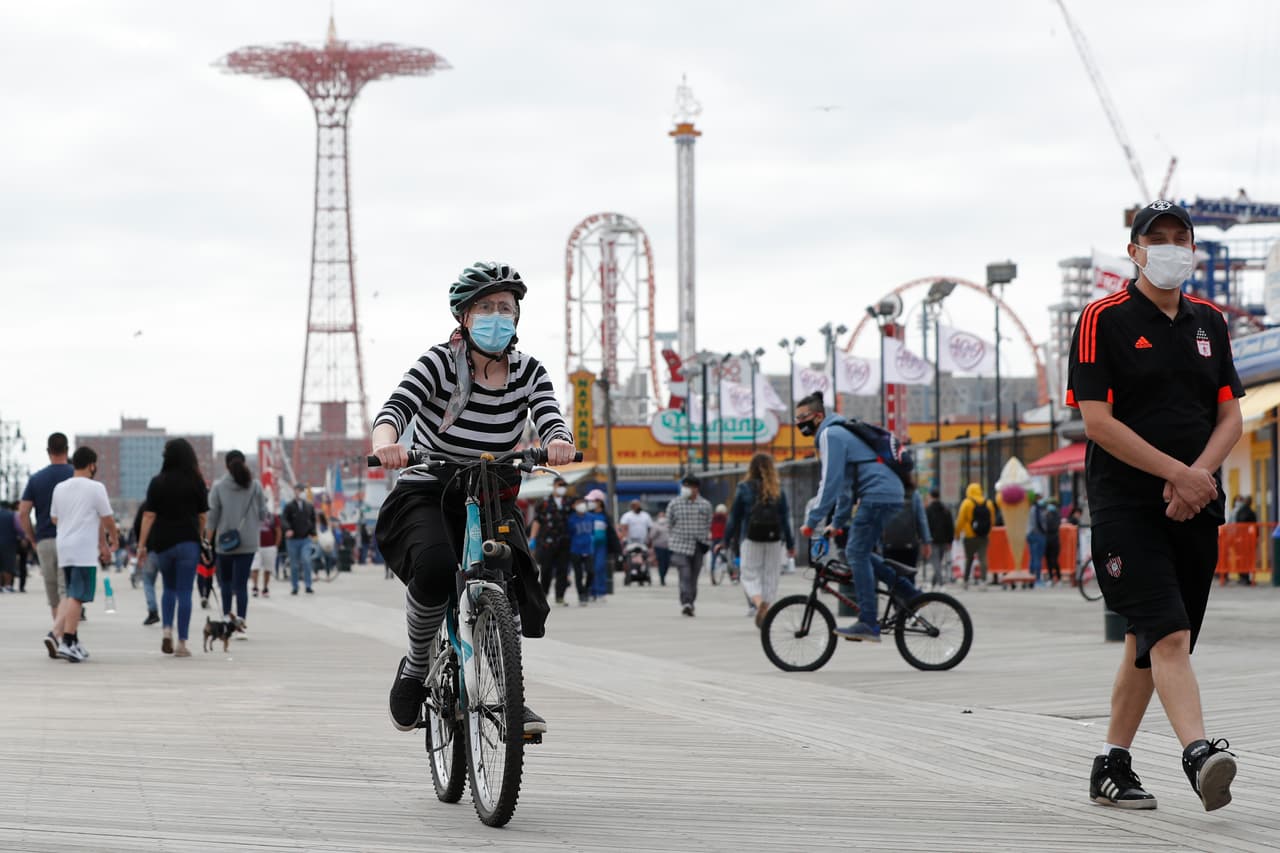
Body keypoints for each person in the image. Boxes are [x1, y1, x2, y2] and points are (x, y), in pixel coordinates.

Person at [1068, 199, 1242, 812]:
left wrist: (1197, 478)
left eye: (1181, 237)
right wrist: (1176, 473)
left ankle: (1111, 765)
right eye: (1157, 237)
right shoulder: (1101, 318)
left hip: (1195, 506)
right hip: (1126, 507)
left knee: (1157, 640)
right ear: (1135, 249)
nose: (1171, 247)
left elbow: (1229, 415)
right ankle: (1199, 754)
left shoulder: (1210, 322)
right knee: (1166, 633)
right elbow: (1096, 421)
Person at [371, 261, 574, 737]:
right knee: (438, 567)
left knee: (508, 578)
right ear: (464, 316)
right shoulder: (439, 363)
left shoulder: (529, 371)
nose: (497, 316)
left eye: (506, 308)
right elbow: (395, 408)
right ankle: (416, 667)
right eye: (486, 307)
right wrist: (387, 443)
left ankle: (506, 694)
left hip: (491, 489)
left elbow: (548, 416)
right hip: (430, 486)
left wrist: (558, 440)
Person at [794, 392, 904, 642]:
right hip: (885, 493)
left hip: (877, 495)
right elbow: (845, 488)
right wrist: (836, 523)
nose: (799, 423)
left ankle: (868, 621)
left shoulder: (829, 434)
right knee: (860, 551)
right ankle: (910, 594)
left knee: (855, 553)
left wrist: (811, 522)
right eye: (796, 419)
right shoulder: (838, 432)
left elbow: (829, 483)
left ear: (818, 416)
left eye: (802, 418)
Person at [137, 438, 209, 658]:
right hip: (188, 542)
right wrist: (199, 535)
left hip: (163, 543)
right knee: (185, 591)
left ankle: (167, 629)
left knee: (168, 588)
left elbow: (149, 515)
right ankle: (182, 643)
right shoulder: (197, 482)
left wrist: (141, 545)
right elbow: (203, 516)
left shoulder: (157, 482)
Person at [45, 447, 117, 662]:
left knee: (70, 592)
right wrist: (114, 537)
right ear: (92, 465)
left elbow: (55, 518)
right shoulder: (96, 488)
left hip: (64, 547)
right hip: (83, 549)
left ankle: (73, 640)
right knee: (77, 595)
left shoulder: (59, 488)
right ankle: (67, 641)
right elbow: (108, 518)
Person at [723, 452, 795, 627]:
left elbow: (734, 517)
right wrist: (790, 544)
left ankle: (758, 603)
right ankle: (767, 605)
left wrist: (726, 540)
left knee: (749, 574)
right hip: (774, 538)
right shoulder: (778, 489)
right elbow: (785, 518)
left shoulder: (743, 487)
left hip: (751, 537)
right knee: (771, 575)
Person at [207, 450, 266, 629]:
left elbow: (212, 517)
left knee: (225, 583)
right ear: (244, 462)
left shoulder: (218, 487)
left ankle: (226, 619)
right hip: (248, 542)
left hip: (224, 543)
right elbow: (263, 514)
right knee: (241, 585)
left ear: (226, 465)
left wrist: (208, 542)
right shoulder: (255, 486)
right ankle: (241, 622)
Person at [18, 432, 74, 619]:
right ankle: (64, 633)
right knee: (66, 588)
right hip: (70, 539)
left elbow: (23, 512)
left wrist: (32, 537)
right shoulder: (75, 475)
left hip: (44, 540)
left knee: (52, 592)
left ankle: (57, 631)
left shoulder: (36, 479)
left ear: (48, 451)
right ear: (67, 450)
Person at [666, 474, 712, 616]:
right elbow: (669, 523)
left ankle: (691, 602)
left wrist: (705, 540)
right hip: (679, 545)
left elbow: (708, 523)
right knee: (685, 574)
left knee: (693, 577)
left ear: (696, 488)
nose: (686, 489)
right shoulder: (674, 504)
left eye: (689, 486)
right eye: (684, 486)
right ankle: (686, 601)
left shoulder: (705, 505)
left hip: (698, 545)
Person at [529, 477, 573, 605]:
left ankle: (560, 596)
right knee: (546, 570)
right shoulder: (545, 502)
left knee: (563, 570)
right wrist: (532, 538)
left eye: (564, 485)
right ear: (554, 486)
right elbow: (537, 521)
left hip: (564, 541)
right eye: (560, 485)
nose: (562, 487)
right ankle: (544, 595)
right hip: (547, 542)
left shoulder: (568, 502)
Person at [880, 476, 932, 570]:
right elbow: (921, 520)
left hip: (889, 544)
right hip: (910, 545)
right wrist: (926, 542)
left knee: (892, 577)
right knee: (909, 575)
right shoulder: (914, 494)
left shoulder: (884, 492)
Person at [954, 483, 996, 588]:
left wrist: (957, 533)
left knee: (969, 558)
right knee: (983, 558)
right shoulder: (989, 503)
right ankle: (983, 580)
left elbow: (960, 520)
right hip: (984, 536)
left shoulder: (967, 503)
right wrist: (988, 532)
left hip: (969, 536)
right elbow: (992, 520)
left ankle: (966, 581)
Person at [281, 486, 317, 594]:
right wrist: (288, 529)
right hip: (293, 540)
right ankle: (295, 586)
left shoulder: (309, 506)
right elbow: (284, 519)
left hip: (305, 539)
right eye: (297, 491)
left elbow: (313, 520)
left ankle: (308, 585)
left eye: (301, 491)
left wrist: (312, 533)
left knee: (306, 560)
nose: (299, 493)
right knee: (294, 564)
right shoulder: (289, 506)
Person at [132, 502, 160, 624]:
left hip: (150, 549)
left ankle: (153, 611)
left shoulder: (145, 505)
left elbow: (137, 525)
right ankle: (171, 612)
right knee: (171, 585)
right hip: (168, 549)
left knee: (148, 581)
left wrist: (140, 545)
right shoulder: (171, 502)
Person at [566, 497, 595, 606]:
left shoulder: (591, 517)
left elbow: (592, 532)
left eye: (583, 503)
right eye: (579, 503)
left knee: (591, 572)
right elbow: (569, 534)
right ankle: (581, 595)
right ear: (574, 506)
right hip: (576, 549)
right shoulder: (571, 519)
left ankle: (586, 589)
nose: (581, 505)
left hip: (588, 549)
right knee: (578, 574)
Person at [924, 489, 955, 588]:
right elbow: (950, 526)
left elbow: (925, 525)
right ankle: (934, 583)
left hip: (932, 540)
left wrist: (925, 539)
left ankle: (941, 583)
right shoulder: (945, 509)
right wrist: (950, 540)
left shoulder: (928, 510)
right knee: (938, 562)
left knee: (936, 562)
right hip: (944, 540)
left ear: (931, 496)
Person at [252, 504, 281, 598]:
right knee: (255, 567)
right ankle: (255, 587)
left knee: (267, 569)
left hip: (269, 546)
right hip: (256, 546)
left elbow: (278, 531)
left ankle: (265, 588)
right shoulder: (253, 516)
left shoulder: (272, 517)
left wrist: (276, 545)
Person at [0, 501, 19, 593]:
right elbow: (18, 527)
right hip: (9, 542)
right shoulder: (13, 515)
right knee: (8, 565)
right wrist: (23, 537)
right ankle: (7, 586)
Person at [649, 510, 671, 586]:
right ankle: (662, 578)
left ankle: (663, 575)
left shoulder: (669, 524)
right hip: (659, 547)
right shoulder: (655, 525)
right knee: (661, 562)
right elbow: (651, 536)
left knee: (667, 563)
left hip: (668, 546)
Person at [315, 513, 337, 579]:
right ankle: (327, 576)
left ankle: (317, 575)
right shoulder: (328, 524)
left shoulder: (318, 525)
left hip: (320, 544)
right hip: (328, 544)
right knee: (327, 559)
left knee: (317, 558)